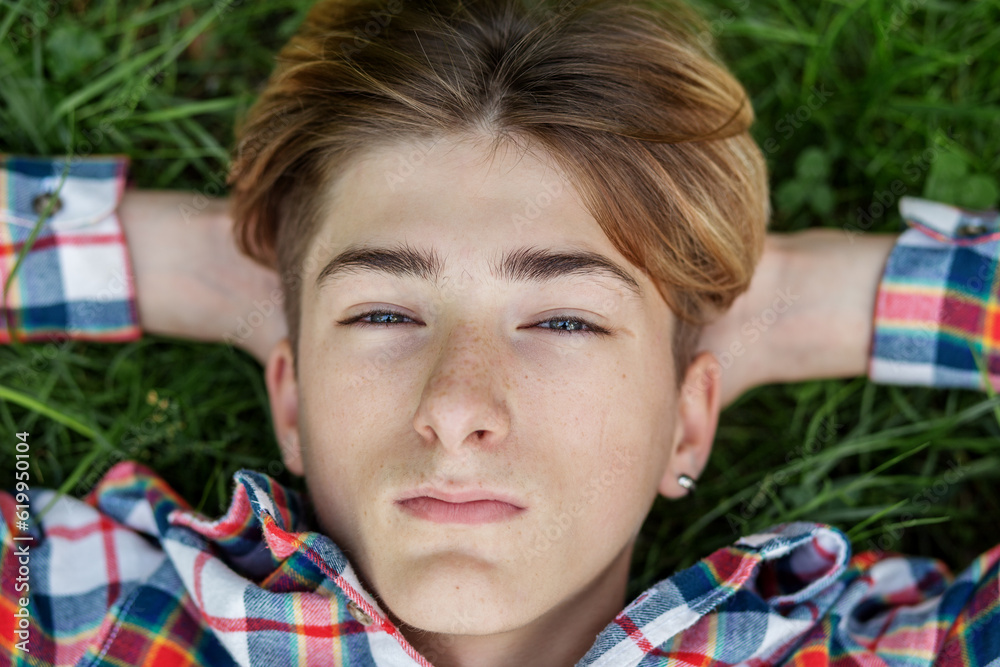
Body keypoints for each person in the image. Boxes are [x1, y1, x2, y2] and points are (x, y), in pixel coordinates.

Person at [2, 0, 999, 665]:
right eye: (384, 313)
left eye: (565, 316)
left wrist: (790, 306)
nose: (456, 407)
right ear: (292, 398)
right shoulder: (72, 611)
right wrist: (213, 268)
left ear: (690, 424)